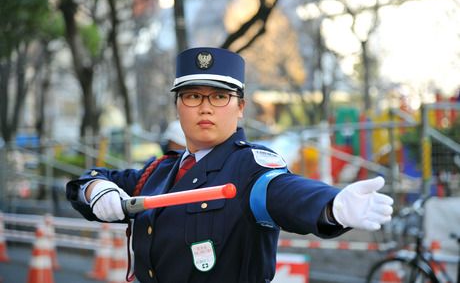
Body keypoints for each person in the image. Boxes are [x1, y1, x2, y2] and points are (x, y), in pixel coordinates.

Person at [66, 47, 393, 283]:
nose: (205, 107)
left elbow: (282, 192)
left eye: (219, 96)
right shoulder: (156, 173)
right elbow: (89, 181)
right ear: (178, 106)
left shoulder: (250, 168)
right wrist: (97, 189)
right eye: (193, 96)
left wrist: (331, 207)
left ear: (240, 108)